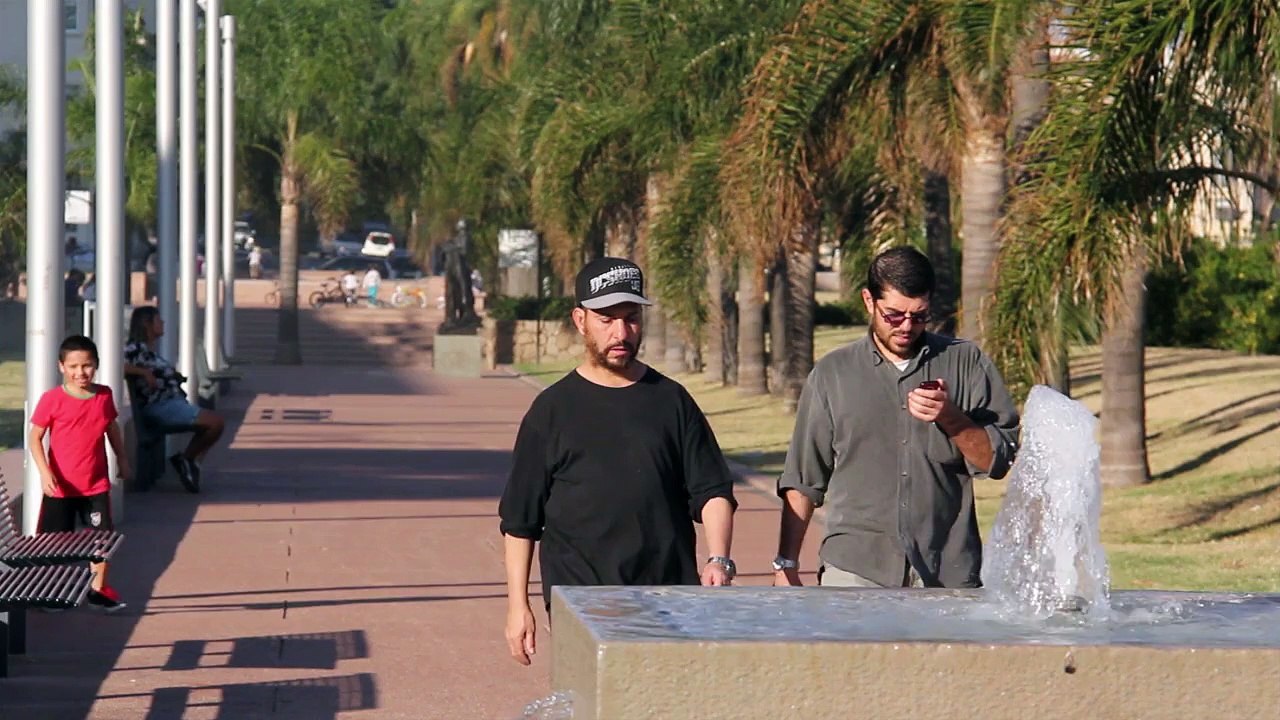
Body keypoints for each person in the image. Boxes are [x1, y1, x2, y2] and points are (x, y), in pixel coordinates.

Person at [499, 257, 739, 666]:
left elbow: (712, 490)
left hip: (667, 602)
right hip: (581, 602)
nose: (621, 332)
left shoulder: (672, 401)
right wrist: (517, 606)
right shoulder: (552, 410)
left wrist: (719, 559)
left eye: (630, 319)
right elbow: (521, 521)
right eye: (606, 319)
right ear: (580, 320)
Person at [772, 246, 1020, 590]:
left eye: (919, 315)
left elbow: (997, 462)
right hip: (855, 569)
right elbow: (804, 478)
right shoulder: (833, 374)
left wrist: (952, 419)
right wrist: (786, 562)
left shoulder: (966, 363)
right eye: (894, 315)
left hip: (945, 572)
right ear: (868, 301)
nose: (907, 326)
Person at [27, 335, 131, 611]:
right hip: (60, 487)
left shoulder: (104, 395)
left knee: (101, 541)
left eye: (86, 365)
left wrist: (122, 458)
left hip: (95, 485)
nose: (80, 372)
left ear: (96, 365)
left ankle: (98, 591)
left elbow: (112, 429)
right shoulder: (52, 399)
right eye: (73, 366)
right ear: (61, 366)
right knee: (53, 542)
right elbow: (35, 437)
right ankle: (50, 590)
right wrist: (44, 472)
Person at [123, 306, 226, 493]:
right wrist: (143, 372)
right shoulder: (135, 348)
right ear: (147, 324)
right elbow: (117, 364)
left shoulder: (149, 350)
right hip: (159, 407)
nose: (162, 323)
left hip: (172, 404)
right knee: (215, 422)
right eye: (158, 320)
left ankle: (188, 461)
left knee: (214, 423)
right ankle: (187, 460)